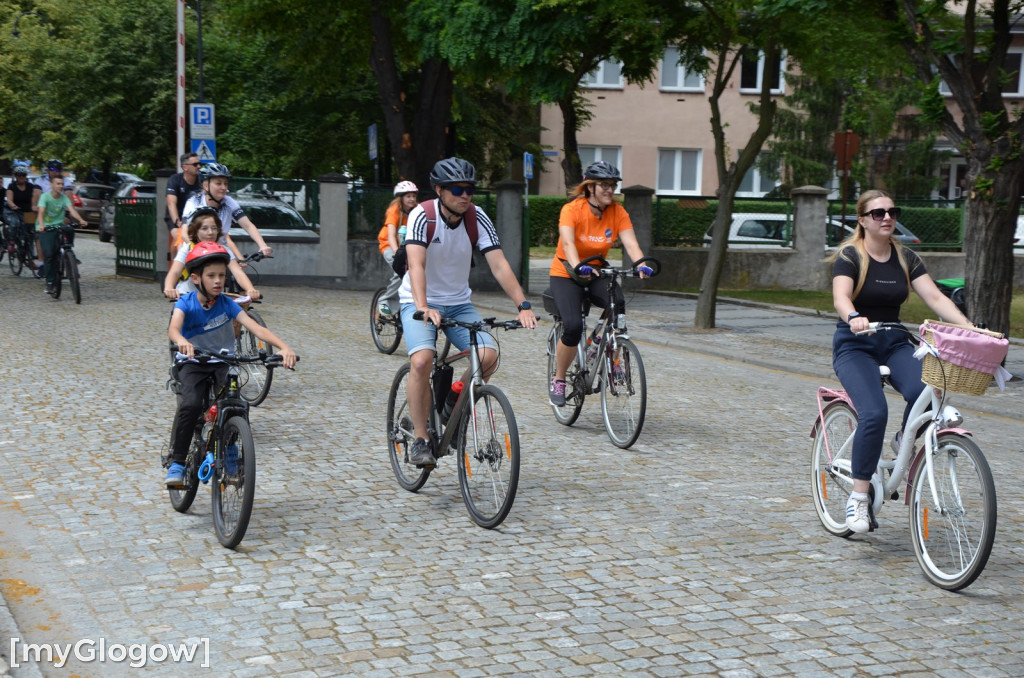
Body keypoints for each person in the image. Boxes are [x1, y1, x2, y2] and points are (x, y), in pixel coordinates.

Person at [829, 189, 971, 534]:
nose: (887, 218)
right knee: (874, 412)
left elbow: (935, 296)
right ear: (863, 220)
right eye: (878, 213)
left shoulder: (905, 257)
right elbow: (840, 297)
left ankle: (902, 440)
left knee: (933, 388)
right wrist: (853, 317)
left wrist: (969, 328)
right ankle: (859, 499)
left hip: (893, 340)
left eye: (892, 211)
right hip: (856, 343)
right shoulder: (850, 256)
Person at [400, 157, 537, 468]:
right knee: (421, 360)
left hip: (459, 302)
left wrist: (523, 304)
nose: (465, 195)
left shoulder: (478, 218)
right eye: (457, 189)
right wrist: (423, 306)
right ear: (439, 190)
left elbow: (499, 264)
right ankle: (421, 439)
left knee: (488, 355)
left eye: (470, 190)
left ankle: (452, 403)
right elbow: (416, 264)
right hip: (417, 300)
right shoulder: (423, 216)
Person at [165, 242, 296, 486]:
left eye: (222, 276)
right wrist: (182, 341)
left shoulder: (226, 304)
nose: (218, 281)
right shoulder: (186, 302)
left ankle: (232, 456)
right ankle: (178, 461)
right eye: (211, 276)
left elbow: (255, 328)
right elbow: (174, 328)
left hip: (222, 362)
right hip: (193, 362)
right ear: (195, 278)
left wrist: (284, 347)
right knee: (191, 404)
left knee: (236, 406)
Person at [547, 160, 652, 407]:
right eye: (603, 185)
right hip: (566, 272)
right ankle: (559, 379)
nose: (609, 190)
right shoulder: (572, 210)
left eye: (613, 185)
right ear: (590, 187)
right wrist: (576, 265)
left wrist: (640, 263)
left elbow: (631, 243)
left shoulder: (618, 212)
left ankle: (613, 361)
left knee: (618, 306)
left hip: (596, 271)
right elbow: (569, 244)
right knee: (572, 326)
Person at [163, 206, 260, 301]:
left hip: (214, 298)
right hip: (187, 296)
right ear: (195, 231)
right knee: (179, 315)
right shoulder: (187, 249)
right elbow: (174, 272)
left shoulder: (223, 249)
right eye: (204, 228)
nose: (210, 232)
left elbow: (238, 272)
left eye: (214, 228)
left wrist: (250, 289)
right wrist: (169, 287)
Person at [180, 163, 272, 258]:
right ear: (206, 186)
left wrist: (262, 245)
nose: (223, 188)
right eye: (218, 183)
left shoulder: (229, 202)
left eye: (226, 183)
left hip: (219, 253)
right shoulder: (194, 202)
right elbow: (184, 233)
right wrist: (198, 251)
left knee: (238, 271)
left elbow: (248, 225)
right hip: (195, 252)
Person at [36, 175, 86, 297]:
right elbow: (41, 212)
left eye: (62, 184)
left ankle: (68, 250)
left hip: (59, 225)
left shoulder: (64, 198)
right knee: (49, 255)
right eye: (58, 184)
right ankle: (50, 282)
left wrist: (81, 220)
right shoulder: (45, 197)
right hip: (46, 227)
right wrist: (42, 225)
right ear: (51, 185)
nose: (60, 186)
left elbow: (72, 210)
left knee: (69, 230)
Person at [377, 180, 418, 315]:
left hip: (406, 246)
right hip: (389, 245)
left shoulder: (417, 210)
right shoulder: (394, 210)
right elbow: (391, 234)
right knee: (400, 269)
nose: (412, 199)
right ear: (401, 198)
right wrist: (396, 253)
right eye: (408, 196)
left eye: (413, 196)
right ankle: (385, 300)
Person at [165, 153, 202, 244]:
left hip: (195, 216)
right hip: (177, 215)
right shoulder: (175, 180)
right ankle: (176, 258)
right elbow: (171, 203)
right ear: (185, 167)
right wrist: (177, 221)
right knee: (180, 237)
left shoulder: (202, 180)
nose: (199, 166)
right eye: (195, 164)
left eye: (199, 164)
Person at [5, 163, 41, 245]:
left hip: (28, 211)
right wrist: (13, 206)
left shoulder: (31, 186)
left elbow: (36, 197)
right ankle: (12, 243)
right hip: (16, 211)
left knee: (32, 229)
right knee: (15, 224)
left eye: (23, 175)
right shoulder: (11, 186)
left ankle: (30, 249)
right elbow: (9, 200)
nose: (21, 177)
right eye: (19, 175)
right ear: (15, 176)